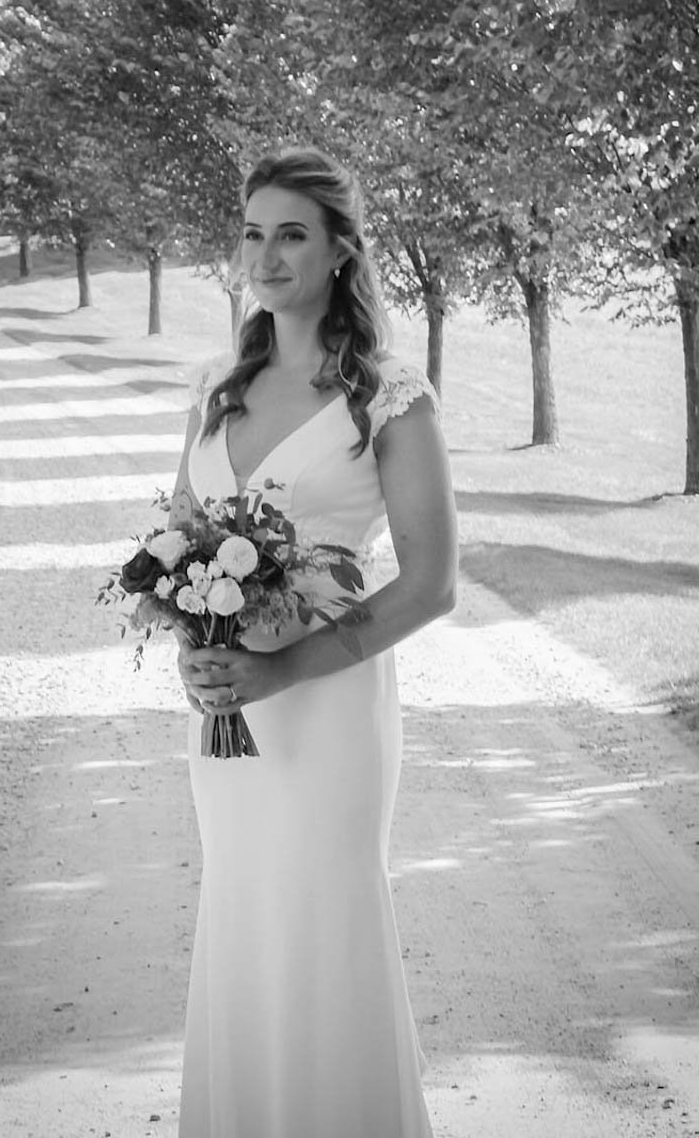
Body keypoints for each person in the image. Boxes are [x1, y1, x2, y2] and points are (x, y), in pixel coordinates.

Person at [170, 146, 458, 1138]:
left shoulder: (386, 397)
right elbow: (177, 550)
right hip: (226, 729)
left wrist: (277, 666)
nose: (266, 252)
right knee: (244, 925)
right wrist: (194, 653)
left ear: (340, 250)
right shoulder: (217, 388)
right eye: (253, 231)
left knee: (323, 928)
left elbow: (429, 583)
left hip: (327, 712)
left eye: (291, 232)